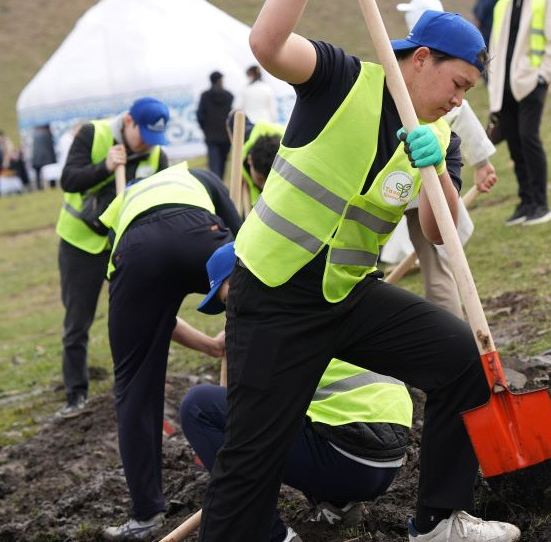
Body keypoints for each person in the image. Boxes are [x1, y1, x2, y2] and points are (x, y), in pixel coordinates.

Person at [199, 0, 521, 540]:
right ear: (421, 59)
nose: (461, 100)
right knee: (249, 460)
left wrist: (438, 172)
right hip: (272, 295)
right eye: (457, 84)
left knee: (461, 356)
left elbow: (436, 228)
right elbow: (266, 45)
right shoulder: (339, 80)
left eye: (469, 91)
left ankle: (438, 522)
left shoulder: (443, 129)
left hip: (347, 295)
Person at [180, 242, 413, 542]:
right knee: (294, 409)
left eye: (229, 300)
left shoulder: (268, 324)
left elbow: (249, 423)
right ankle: (337, 505)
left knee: (198, 406)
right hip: (387, 460)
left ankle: (270, 534)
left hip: (348, 458)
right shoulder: (313, 293)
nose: (231, 312)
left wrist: (222, 457)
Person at [96, 163, 241, 541]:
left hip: (137, 252)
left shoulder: (122, 206)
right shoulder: (196, 175)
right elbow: (249, 246)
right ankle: (268, 457)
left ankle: (145, 515)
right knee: (265, 322)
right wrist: (240, 312)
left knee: (133, 383)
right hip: (198, 231)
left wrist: (209, 344)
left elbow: (150, 321)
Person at [54, 98, 172, 418]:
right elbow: (68, 180)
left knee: (140, 314)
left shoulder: (158, 155)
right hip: (81, 244)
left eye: (155, 137)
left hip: (125, 247)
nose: (149, 143)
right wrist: (104, 167)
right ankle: (75, 395)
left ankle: (142, 384)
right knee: (78, 322)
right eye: (144, 134)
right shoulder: (94, 135)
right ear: (130, 122)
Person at [397, 0, 499, 315]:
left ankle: (453, 334)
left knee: (438, 266)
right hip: (403, 192)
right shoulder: (406, 84)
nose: (455, 98)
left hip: (428, 189)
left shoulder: (447, 86)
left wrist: (482, 164)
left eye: (463, 88)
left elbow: (464, 123)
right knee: (439, 264)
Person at [489, 0, 551, 227]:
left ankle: (541, 203)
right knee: (515, 144)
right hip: (505, 86)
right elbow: (496, 46)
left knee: (529, 139)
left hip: (531, 83)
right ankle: (526, 202)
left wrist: (543, 77)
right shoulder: (503, 5)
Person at [198, 71, 235, 176]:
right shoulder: (229, 96)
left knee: (214, 163)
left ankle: (215, 183)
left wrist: (205, 129)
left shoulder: (205, 96)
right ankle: (220, 183)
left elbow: (200, 115)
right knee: (222, 162)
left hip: (211, 136)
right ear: (220, 80)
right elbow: (232, 115)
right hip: (225, 135)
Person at [31, 125, 57, 190]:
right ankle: (52, 185)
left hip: (37, 157)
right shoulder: (47, 134)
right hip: (47, 157)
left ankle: (39, 187)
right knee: (51, 172)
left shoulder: (35, 135)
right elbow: (51, 146)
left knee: (38, 174)